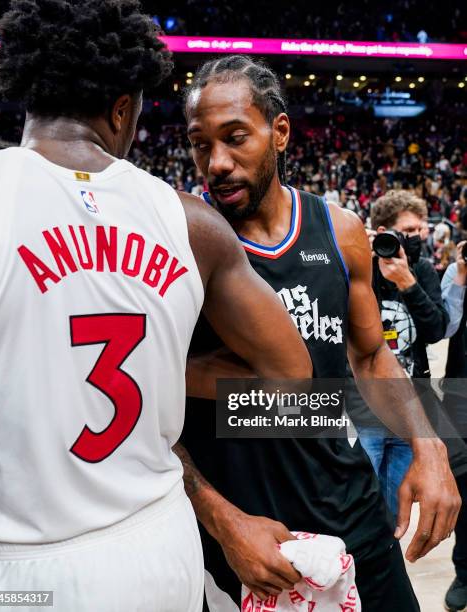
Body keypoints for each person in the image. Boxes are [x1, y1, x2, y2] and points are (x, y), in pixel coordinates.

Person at [0, 5, 313, 611]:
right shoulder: (191, 221)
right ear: (123, 108)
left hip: (19, 568)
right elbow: (292, 377)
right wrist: (159, 375)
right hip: (160, 546)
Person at [175, 55, 460, 612]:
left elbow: (372, 355)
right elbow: (149, 408)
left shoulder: (340, 229)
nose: (218, 162)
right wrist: (220, 518)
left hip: (346, 503)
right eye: (199, 143)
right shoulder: (181, 237)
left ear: (279, 132)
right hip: (247, 531)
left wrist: (431, 448)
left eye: (236, 138)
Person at [348, 191, 450, 518]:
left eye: (421, 230)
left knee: (392, 514)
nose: (418, 236)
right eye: (408, 230)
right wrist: (355, 255)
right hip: (365, 411)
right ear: (383, 232)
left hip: (410, 411)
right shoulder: (360, 267)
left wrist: (408, 283)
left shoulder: (423, 269)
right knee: (359, 509)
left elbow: (436, 330)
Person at [442, 243, 467, 611]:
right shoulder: (454, 273)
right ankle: (464, 571)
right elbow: (442, 327)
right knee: (464, 488)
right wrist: (461, 276)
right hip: (461, 397)